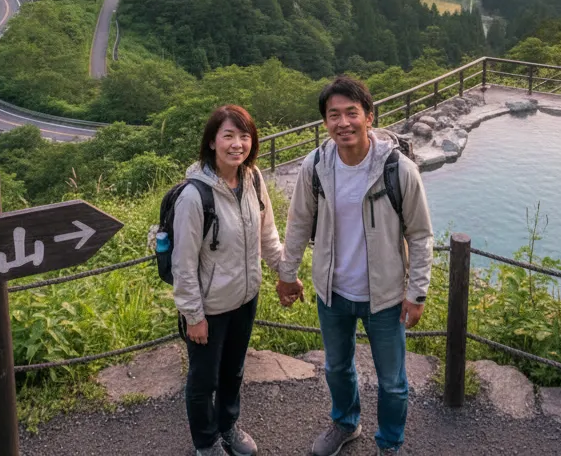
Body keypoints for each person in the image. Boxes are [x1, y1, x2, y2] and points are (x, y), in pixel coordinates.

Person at [277, 77, 434, 456]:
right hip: (333, 291)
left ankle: (390, 444)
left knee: (393, 381)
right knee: (336, 367)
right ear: (325, 121)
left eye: (352, 113)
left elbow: (420, 235)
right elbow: (298, 222)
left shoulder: (399, 170)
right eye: (334, 115)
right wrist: (287, 274)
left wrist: (416, 292)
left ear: (369, 116)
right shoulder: (315, 166)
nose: (343, 122)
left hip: (384, 295)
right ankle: (346, 424)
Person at [172, 104, 284, 456]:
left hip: (245, 297)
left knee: (234, 370)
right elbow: (183, 263)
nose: (237, 144)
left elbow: (267, 234)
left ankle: (228, 426)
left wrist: (285, 272)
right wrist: (194, 316)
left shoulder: (253, 178)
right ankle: (206, 444)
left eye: (245, 136)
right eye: (229, 136)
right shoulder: (194, 196)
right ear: (211, 142)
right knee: (203, 380)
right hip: (210, 306)